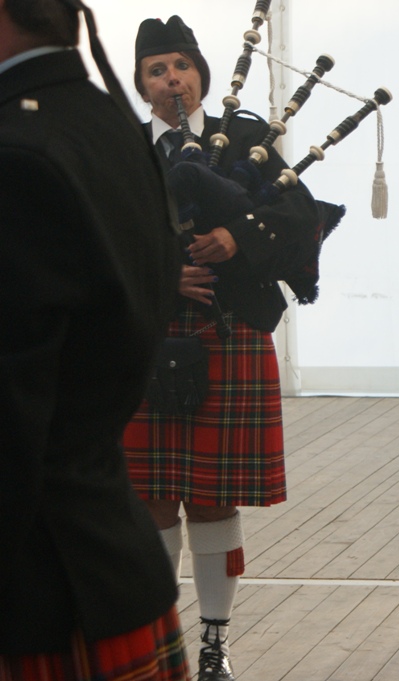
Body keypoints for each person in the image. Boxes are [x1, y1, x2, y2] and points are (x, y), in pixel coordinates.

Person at [122, 15, 318, 681]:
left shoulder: (249, 140)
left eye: (181, 65)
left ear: (202, 75)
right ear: (142, 85)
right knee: (150, 499)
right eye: (156, 70)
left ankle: (214, 642)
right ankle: (159, 640)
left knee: (212, 498)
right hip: (147, 340)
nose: (171, 78)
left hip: (229, 333)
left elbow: (301, 216)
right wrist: (162, 273)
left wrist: (239, 237)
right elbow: (89, 236)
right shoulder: (123, 148)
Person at [0, 0, 188, 678]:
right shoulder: (106, 122)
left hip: (40, 586)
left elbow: (11, 417)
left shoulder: (16, 151)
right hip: (103, 554)